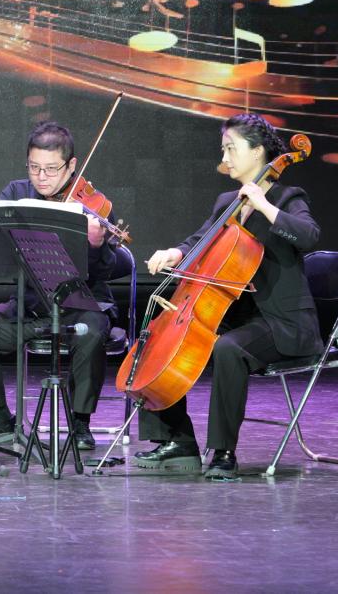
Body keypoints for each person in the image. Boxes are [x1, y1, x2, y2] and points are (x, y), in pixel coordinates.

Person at [135, 113, 322, 480]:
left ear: (258, 151)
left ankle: (223, 452)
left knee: (228, 348)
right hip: (239, 316)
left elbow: (309, 235)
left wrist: (265, 206)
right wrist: (175, 252)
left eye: (231, 148)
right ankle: (177, 440)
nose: (224, 157)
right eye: (223, 149)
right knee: (158, 337)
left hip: (282, 323)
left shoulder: (287, 197)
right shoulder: (227, 202)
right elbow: (200, 240)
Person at [0, 121, 118, 450]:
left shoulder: (91, 205)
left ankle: (79, 423)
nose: (41, 177)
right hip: (29, 307)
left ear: (71, 165)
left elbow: (109, 269)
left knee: (92, 331)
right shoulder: (16, 194)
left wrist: (96, 245)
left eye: (51, 169)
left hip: (79, 308)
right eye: (34, 167)